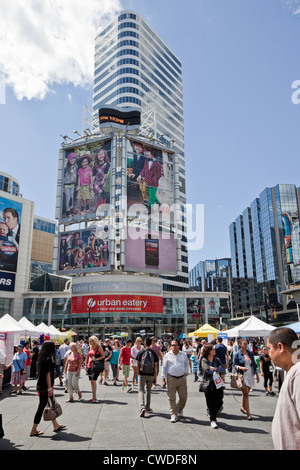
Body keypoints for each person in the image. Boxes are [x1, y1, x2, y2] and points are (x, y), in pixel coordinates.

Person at [267, 327, 300, 450]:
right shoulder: (291, 371)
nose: (269, 354)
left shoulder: (298, 372)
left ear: (280, 347)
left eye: (269, 348)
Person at [30, 341, 66, 436]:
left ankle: (55, 425)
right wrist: (50, 389)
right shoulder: (49, 359)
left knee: (49, 405)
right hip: (45, 387)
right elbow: (48, 375)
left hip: (41, 385)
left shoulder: (42, 358)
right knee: (41, 407)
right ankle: (34, 429)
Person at [161, 338, 189, 423]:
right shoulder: (167, 355)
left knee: (184, 397)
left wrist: (186, 372)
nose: (173, 347)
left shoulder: (183, 354)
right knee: (171, 398)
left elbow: (186, 364)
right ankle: (173, 414)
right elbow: (164, 368)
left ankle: (179, 409)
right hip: (171, 378)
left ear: (178, 346)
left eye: (175, 345)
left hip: (182, 378)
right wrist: (163, 379)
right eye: (172, 345)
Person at [233, 339, 260, 420]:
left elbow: (254, 364)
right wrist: (240, 367)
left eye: (246, 344)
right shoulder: (237, 354)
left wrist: (257, 375)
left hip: (250, 374)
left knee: (246, 393)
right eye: (244, 344)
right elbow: (234, 365)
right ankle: (248, 413)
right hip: (242, 375)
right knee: (246, 394)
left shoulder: (250, 353)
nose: (246, 345)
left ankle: (243, 407)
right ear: (240, 345)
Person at [200, 343, 225, 429]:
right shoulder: (204, 359)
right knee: (210, 402)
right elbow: (206, 370)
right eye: (213, 349)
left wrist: (214, 369)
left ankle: (212, 411)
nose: (214, 351)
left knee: (219, 401)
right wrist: (216, 370)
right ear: (208, 351)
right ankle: (213, 419)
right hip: (209, 384)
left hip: (218, 383)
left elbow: (223, 369)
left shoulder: (216, 359)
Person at [136, 337, 159, 417]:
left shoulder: (141, 352)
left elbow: (138, 364)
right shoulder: (153, 353)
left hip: (142, 373)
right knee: (149, 390)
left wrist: (139, 373)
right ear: (151, 343)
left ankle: (142, 407)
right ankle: (148, 407)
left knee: (141, 390)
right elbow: (155, 366)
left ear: (145, 344)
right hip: (151, 374)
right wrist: (155, 377)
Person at [85, 336, 105, 402]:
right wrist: (86, 365)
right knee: (91, 381)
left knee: (93, 380)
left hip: (96, 366)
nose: (89, 342)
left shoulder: (98, 347)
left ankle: (94, 397)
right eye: (89, 341)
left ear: (94, 341)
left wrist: (96, 359)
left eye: (91, 341)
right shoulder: (89, 347)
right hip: (89, 366)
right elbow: (87, 356)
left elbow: (103, 356)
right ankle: (93, 396)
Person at [63, 152, 78, 218]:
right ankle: (67, 211)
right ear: (69, 160)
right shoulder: (66, 168)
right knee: (68, 198)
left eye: (73, 159)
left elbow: (76, 176)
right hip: (66, 185)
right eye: (71, 159)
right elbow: (63, 177)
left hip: (73, 185)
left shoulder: (75, 166)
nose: (72, 160)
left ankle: (72, 209)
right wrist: (63, 187)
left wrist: (77, 185)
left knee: (72, 197)